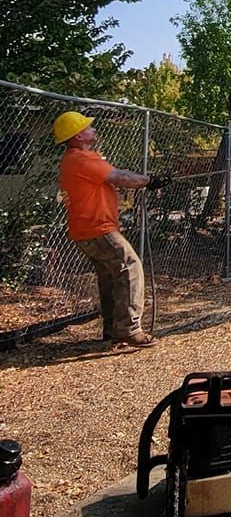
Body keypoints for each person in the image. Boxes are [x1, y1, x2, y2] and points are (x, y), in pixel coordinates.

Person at [54, 112, 153, 349]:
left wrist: (145, 179)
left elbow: (117, 174)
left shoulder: (82, 158)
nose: (93, 129)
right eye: (88, 127)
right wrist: (149, 181)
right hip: (97, 227)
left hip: (86, 229)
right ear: (79, 135)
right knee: (130, 267)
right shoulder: (80, 159)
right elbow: (119, 177)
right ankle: (129, 329)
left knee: (111, 277)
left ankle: (112, 330)